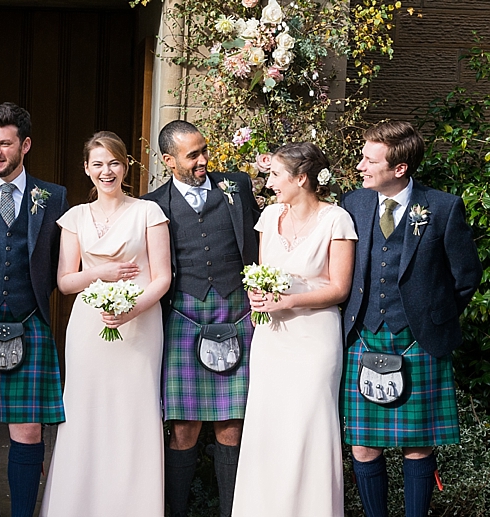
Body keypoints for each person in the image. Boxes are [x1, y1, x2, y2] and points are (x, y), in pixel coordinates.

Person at [341, 121, 481, 517]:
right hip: (364, 337)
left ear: (399, 168)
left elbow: (467, 276)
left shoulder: (442, 207)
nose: (360, 166)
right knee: (364, 444)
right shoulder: (354, 204)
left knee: (417, 441)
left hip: (420, 341)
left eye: (370, 160)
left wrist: (434, 318)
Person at [39, 131, 171, 516]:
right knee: (85, 411)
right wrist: (105, 273)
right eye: (97, 164)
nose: (106, 171)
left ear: (125, 166)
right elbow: (65, 281)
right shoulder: (74, 218)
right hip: (88, 328)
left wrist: (132, 310)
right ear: (86, 169)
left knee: (132, 412)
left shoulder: (148, 212)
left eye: (113, 162)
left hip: (140, 327)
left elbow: (161, 278)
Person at [0, 102, 68, 517]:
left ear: (26, 145)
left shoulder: (53, 196)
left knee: (28, 426)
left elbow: (63, 258)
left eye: (5, 143)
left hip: (28, 319)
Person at [232, 142, 356, 516]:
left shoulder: (337, 219)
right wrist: (257, 289)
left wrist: (288, 301)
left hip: (314, 340)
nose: (269, 183)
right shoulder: (269, 217)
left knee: (308, 426)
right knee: (269, 425)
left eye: (275, 175)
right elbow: (263, 269)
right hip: (271, 338)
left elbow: (339, 288)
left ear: (301, 178)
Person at [142, 120, 259, 517]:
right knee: (184, 429)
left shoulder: (237, 187)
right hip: (183, 317)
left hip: (237, 310)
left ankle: (231, 511)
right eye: (193, 155)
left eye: (204, 150)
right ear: (168, 161)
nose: (203, 160)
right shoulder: (153, 204)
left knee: (232, 425)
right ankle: (176, 510)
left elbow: (259, 244)